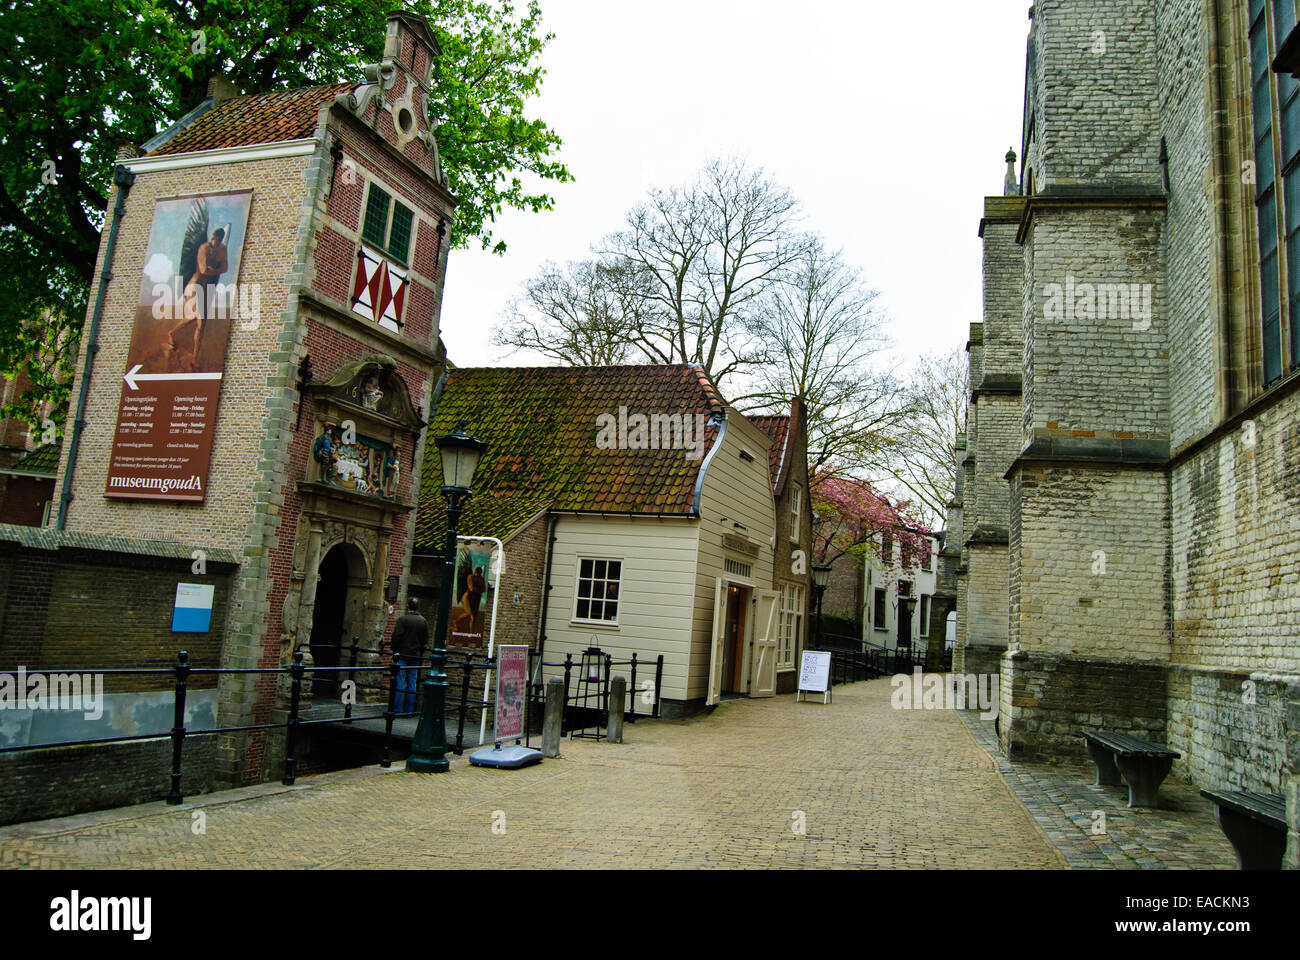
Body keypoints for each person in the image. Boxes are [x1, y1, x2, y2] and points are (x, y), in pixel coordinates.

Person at [389, 597, 428, 715]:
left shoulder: (403, 620)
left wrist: (394, 649)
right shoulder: (423, 621)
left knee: (400, 681)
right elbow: (425, 640)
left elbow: (396, 636)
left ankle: (396, 709)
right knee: (412, 682)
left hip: (402, 654)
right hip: (415, 655)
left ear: (408, 606)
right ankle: (409, 710)